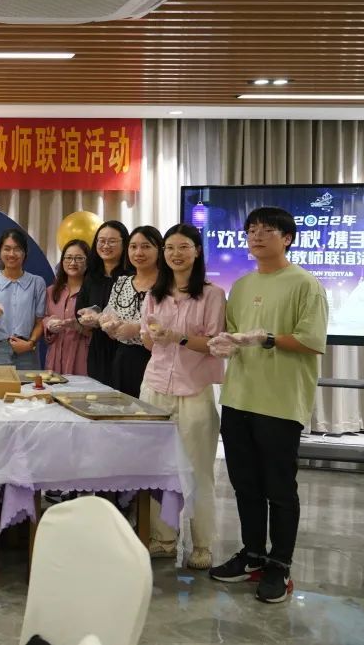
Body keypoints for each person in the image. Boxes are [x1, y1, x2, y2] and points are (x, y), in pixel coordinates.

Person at [206, 207, 327, 604]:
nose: (256, 236)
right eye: (251, 230)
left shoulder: (305, 284)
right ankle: (253, 555)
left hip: (280, 401)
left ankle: (280, 565)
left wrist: (268, 338)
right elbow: (233, 334)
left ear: (287, 238)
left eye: (267, 230)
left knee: (279, 487)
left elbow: (312, 340)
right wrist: (225, 343)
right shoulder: (241, 286)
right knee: (245, 484)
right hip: (238, 397)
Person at [139, 223, 227, 569]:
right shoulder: (154, 294)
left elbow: (216, 343)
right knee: (157, 466)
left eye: (183, 247)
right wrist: (153, 335)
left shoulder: (212, 294)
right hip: (156, 386)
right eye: (170, 248)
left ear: (197, 251)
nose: (176, 254)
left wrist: (178, 337)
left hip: (195, 389)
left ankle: (202, 544)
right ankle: (163, 538)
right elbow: (149, 342)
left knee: (198, 468)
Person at [98, 225, 162, 397]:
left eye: (146, 246)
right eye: (133, 247)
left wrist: (137, 329)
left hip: (157, 359)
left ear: (159, 250)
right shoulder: (122, 283)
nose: (138, 252)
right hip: (123, 358)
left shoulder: (167, 285)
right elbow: (110, 315)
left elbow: (173, 323)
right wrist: (109, 325)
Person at [0, 228, 46, 370]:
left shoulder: (37, 282)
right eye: (7, 249)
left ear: (25, 253)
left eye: (17, 249)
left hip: (26, 351)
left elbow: (40, 322)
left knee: (28, 385)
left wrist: (30, 343)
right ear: (0, 251)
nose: (12, 254)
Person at [74, 221, 130, 387]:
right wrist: (87, 318)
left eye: (112, 241)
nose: (105, 246)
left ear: (125, 244)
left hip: (125, 349)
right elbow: (79, 309)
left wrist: (106, 321)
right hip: (98, 349)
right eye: (101, 241)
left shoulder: (131, 276)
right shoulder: (91, 276)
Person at [42, 239, 92, 376]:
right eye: (68, 258)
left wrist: (79, 327)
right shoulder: (51, 291)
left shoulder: (93, 291)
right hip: (55, 357)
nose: (73, 262)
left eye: (79, 258)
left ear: (88, 262)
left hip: (82, 356)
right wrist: (49, 324)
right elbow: (44, 318)